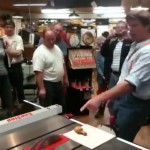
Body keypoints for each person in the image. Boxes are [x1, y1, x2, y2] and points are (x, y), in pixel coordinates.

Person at [81, 10, 150, 142]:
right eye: (129, 26)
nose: (130, 30)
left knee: (122, 139)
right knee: (116, 131)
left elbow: (129, 84)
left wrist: (100, 97)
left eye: (134, 25)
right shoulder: (136, 44)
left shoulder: (148, 52)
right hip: (124, 98)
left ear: (148, 26)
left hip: (135, 103)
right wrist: (114, 96)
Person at [32, 29, 68, 112]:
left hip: (58, 83)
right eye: (49, 40)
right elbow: (38, 72)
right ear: (43, 39)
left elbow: (62, 64)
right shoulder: (39, 52)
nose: (51, 41)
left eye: (53, 39)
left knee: (61, 107)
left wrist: (65, 78)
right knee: (48, 110)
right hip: (47, 84)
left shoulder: (57, 48)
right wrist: (42, 89)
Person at [101, 21, 132, 87]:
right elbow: (103, 53)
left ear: (126, 29)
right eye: (118, 27)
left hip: (126, 76)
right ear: (115, 29)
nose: (120, 29)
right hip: (113, 75)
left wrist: (128, 36)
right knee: (112, 96)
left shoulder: (130, 42)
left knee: (124, 96)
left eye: (122, 27)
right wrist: (108, 38)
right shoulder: (113, 43)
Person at [3, 19, 25, 106]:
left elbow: (19, 53)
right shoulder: (2, 39)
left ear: (14, 28)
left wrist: (8, 50)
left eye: (11, 27)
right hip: (5, 67)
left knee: (19, 88)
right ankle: (9, 108)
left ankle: (23, 107)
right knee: (8, 89)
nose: (9, 29)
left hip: (16, 67)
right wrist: (13, 51)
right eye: (7, 27)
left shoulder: (18, 38)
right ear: (4, 28)